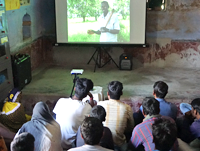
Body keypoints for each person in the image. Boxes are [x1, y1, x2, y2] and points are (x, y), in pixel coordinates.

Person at [53, 78, 95, 150]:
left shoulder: (61, 101)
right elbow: (92, 108)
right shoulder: (86, 107)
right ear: (86, 95)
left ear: (75, 89)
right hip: (72, 145)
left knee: (55, 117)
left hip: (57, 141)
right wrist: (91, 97)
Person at [98, 81, 134, 151]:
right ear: (121, 93)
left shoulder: (100, 104)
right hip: (119, 145)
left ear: (108, 94)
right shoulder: (127, 108)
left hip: (102, 144)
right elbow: (130, 127)